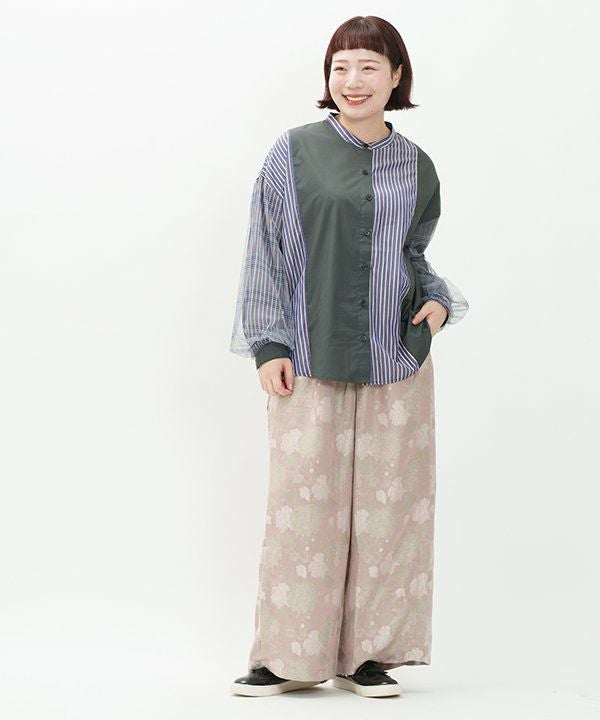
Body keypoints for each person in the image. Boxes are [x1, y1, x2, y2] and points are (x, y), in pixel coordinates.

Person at [228, 15, 468, 699]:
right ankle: (288, 656)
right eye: (340, 67)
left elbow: (413, 254)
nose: (352, 80)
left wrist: (438, 302)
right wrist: (268, 343)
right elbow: (266, 251)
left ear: (396, 77)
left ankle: (369, 655)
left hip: (397, 359)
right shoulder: (293, 152)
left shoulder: (416, 166)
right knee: (303, 510)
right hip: (308, 355)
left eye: (368, 66)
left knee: (391, 514)